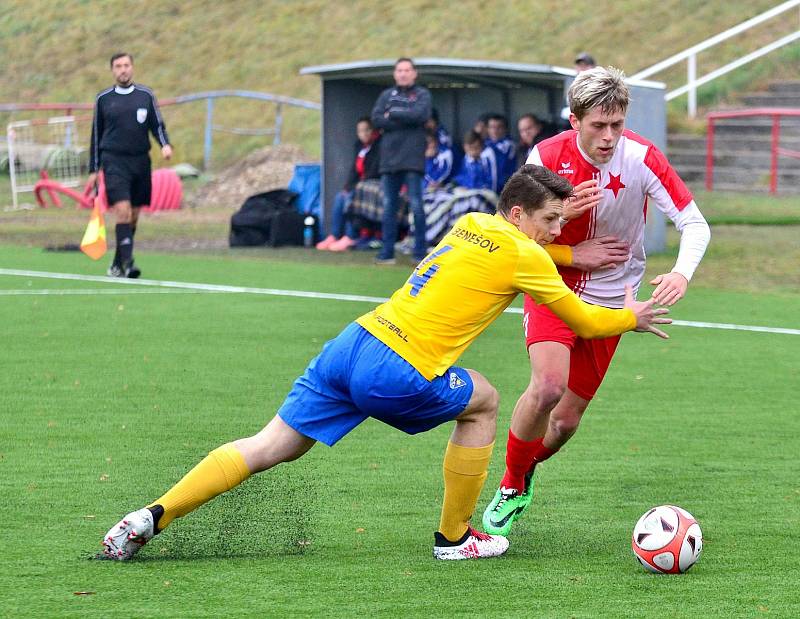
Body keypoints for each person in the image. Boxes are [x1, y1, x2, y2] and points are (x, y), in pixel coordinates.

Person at [100, 164, 671, 563]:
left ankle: (152, 515)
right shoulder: (528, 254)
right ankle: (454, 540)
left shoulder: (472, 223)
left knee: (269, 445)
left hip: (353, 342)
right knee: (486, 401)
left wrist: (561, 246)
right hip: (397, 367)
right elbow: (586, 321)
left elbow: (506, 259)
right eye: (549, 220)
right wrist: (632, 316)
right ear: (520, 214)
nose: (554, 232)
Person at [482, 66, 711, 536]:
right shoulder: (545, 156)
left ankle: (525, 466)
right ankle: (510, 485)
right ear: (574, 120)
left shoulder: (642, 158)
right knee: (547, 387)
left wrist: (682, 274)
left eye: (617, 124)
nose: (609, 137)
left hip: (611, 300)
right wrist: (571, 247)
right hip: (553, 284)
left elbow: (695, 224)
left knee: (564, 421)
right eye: (598, 126)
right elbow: (511, 231)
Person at [88, 52, 172, 278]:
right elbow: (96, 135)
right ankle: (128, 263)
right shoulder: (103, 99)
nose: (123, 70)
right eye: (118, 66)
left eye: (126, 65)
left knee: (134, 215)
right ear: (112, 70)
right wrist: (93, 169)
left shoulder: (145, 95)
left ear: (132, 68)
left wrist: (164, 145)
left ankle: (116, 263)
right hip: (114, 161)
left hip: (140, 162)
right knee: (122, 210)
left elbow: (157, 125)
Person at [371, 57, 432, 264]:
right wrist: (406, 117)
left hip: (413, 159)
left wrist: (394, 114)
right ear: (395, 74)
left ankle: (420, 252)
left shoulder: (422, 94)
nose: (403, 74)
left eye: (407, 70)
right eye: (399, 70)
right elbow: (376, 119)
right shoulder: (386, 95)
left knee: (416, 206)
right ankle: (387, 253)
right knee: (388, 206)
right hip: (389, 160)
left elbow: (421, 116)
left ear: (414, 73)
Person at [316, 117, 380, 251]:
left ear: (372, 130)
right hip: (358, 185)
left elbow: (375, 170)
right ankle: (335, 235)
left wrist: (356, 186)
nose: (364, 134)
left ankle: (351, 236)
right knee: (341, 196)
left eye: (366, 130)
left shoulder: (378, 146)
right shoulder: (359, 147)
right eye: (360, 131)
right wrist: (348, 186)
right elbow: (354, 170)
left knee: (351, 198)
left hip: (371, 186)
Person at [484, 114, 516, 192]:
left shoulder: (509, 146)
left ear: (505, 129)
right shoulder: (483, 145)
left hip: (504, 188)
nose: (495, 130)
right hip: (484, 187)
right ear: (487, 129)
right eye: (492, 127)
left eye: (499, 127)